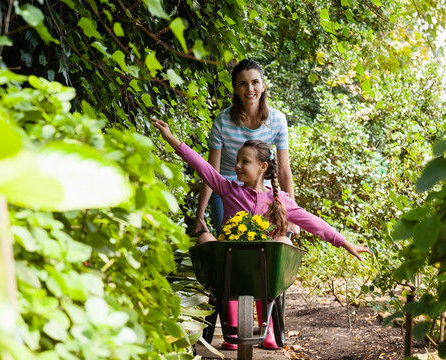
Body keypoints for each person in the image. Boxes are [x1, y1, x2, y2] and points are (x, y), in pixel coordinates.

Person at [151, 118, 372, 350]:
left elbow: (314, 223)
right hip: (230, 267)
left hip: (264, 272)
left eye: (244, 161)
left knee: (282, 241)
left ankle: (270, 331)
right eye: (237, 160)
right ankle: (233, 326)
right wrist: (171, 139)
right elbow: (202, 166)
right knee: (206, 238)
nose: (237, 165)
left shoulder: (279, 200)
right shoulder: (228, 189)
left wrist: (346, 243)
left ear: (262, 167)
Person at [193, 59, 299, 240]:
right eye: (243, 84)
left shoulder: (277, 120)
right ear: (235, 88)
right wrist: (200, 214)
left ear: (263, 86)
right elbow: (211, 171)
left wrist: (293, 214)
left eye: (255, 82)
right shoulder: (222, 122)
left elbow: (283, 170)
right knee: (231, 240)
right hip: (227, 188)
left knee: (269, 240)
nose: (250, 89)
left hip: (261, 187)